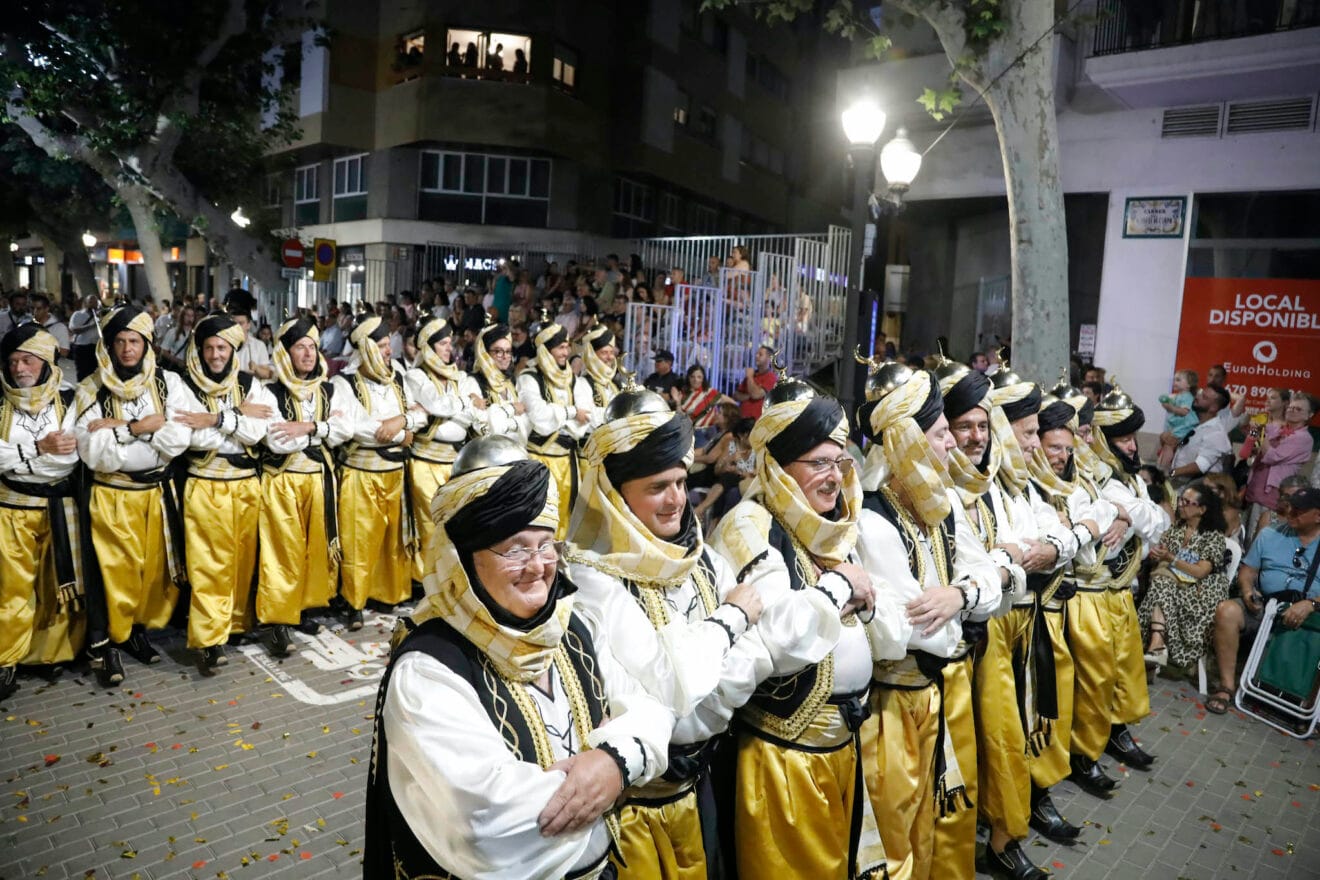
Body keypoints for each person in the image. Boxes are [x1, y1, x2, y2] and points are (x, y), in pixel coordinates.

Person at [365, 437, 673, 879]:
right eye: (515, 549)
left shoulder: (575, 627)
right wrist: (617, 769)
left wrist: (614, 762)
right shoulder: (428, 670)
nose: (538, 566)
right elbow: (488, 827)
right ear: (463, 559)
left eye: (546, 545)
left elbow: (653, 709)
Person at [567, 388, 763, 877]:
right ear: (615, 494)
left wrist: (703, 674)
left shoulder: (699, 556)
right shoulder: (592, 577)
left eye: (680, 481)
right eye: (658, 487)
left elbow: (755, 659)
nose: (677, 499)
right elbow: (674, 686)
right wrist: (729, 620)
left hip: (703, 781)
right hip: (632, 812)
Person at [708, 394, 877, 879]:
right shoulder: (751, 522)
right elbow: (778, 636)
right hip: (783, 758)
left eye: (840, 462)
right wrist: (841, 587)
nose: (835, 476)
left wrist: (844, 596)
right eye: (819, 463)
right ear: (780, 467)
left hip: (842, 747)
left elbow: (870, 602)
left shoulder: (825, 523)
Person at [854, 365, 1004, 880]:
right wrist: (965, 605)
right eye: (941, 434)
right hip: (889, 706)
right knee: (893, 832)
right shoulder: (873, 518)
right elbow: (909, 630)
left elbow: (991, 581)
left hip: (932, 694)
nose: (953, 444)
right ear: (909, 443)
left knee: (930, 823)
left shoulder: (943, 504)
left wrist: (958, 594)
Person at [940, 366, 1059, 879]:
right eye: (961, 427)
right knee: (964, 755)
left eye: (982, 426)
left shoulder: (992, 484)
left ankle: (1003, 837)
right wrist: (1005, 559)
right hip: (953, 647)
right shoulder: (936, 488)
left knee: (1005, 737)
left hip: (997, 632)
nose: (974, 438)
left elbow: (1034, 547)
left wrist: (1012, 558)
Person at [75, 306, 192, 684]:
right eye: (121, 342)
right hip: (112, 495)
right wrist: (141, 427)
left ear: (147, 345)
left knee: (149, 571)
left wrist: (118, 428)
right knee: (115, 574)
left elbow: (179, 438)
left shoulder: (168, 383)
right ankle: (108, 643)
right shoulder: (91, 387)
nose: (128, 349)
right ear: (109, 346)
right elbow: (92, 450)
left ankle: (134, 633)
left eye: (135, 341)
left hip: (156, 493)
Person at [1026, 398, 1124, 800]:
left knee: (1078, 689)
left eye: (1069, 448)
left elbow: (1100, 517)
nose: (1063, 456)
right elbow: (1048, 547)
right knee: (1038, 705)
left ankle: (1076, 761)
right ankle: (1035, 791)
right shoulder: (1027, 487)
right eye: (1054, 447)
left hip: (1068, 603)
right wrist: (1081, 529)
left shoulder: (1075, 482)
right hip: (1035, 614)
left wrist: (1113, 517)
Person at [174, 315, 274, 670]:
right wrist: (237, 416)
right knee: (209, 565)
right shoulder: (185, 385)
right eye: (209, 348)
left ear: (233, 350)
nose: (216, 355)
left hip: (247, 483)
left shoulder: (249, 383)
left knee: (242, 561)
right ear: (200, 350)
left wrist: (217, 418)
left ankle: (234, 624)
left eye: (222, 348)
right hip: (206, 484)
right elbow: (190, 435)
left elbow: (259, 431)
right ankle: (208, 639)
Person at [1079, 384, 1169, 772]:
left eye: (1134, 438)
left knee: (1123, 670)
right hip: (1092, 594)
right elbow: (1149, 520)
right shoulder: (1099, 477)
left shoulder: (1129, 479)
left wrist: (1127, 515)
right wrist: (1130, 515)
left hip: (1121, 590)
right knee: (1095, 677)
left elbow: (1160, 521)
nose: (1133, 447)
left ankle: (1115, 731)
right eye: (1125, 439)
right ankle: (1083, 751)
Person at [0, 326, 84, 700]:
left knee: (58, 586)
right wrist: (38, 447)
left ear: (47, 361)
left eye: (28, 360)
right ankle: (6, 660)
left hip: (61, 507)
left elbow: (71, 455)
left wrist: (17, 457)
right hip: (11, 509)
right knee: (11, 589)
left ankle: (50, 655)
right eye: (13, 361)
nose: (19, 368)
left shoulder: (70, 397)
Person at [260, 316, 351, 655]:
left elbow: (346, 429)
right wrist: (324, 428)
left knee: (314, 550)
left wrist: (310, 427)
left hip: (318, 479)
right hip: (282, 481)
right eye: (300, 347)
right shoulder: (269, 392)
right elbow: (277, 439)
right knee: (282, 551)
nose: (309, 354)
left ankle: (303, 609)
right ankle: (277, 621)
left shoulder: (329, 389)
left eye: (312, 347)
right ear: (286, 353)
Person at [331, 316, 428, 628]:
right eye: (382, 346)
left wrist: (401, 421)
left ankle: (387, 594)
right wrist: (401, 431)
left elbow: (420, 415)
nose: (389, 351)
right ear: (366, 348)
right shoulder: (344, 383)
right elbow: (357, 428)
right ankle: (354, 601)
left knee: (393, 539)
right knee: (359, 538)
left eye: (388, 345)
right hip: (362, 473)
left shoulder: (397, 375)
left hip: (396, 471)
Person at [1209, 486, 1320, 714]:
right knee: (1227, 610)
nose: (1290, 513)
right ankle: (1227, 686)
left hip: (1311, 617)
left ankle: (1306, 706)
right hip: (1268, 607)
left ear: (1318, 515)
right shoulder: (1270, 534)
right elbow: (1248, 571)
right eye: (1290, 507)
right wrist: (1247, 591)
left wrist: (1311, 604)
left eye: (1299, 511)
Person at [404, 318, 481, 584]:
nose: (450, 348)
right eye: (443, 344)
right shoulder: (416, 376)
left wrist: (443, 410)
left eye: (450, 343)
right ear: (428, 347)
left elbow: (474, 414)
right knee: (429, 522)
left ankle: (454, 577)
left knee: (456, 521)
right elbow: (438, 404)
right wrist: (463, 403)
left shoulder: (460, 377)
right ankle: (428, 579)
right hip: (425, 460)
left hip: (455, 461)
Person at [1140, 481, 1230, 674]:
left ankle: (1156, 645)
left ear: (1202, 509)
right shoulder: (1177, 528)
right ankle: (1157, 645)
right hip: (1171, 584)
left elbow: (1201, 572)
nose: (1180, 505)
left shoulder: (1213, 536)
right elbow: (1162, 552)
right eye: (1181, 500)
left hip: (1201, 591)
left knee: (1160, 583)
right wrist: (1157, 555)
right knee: (1162, 582)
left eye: (1187, 502)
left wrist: (1170, 558)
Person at [518, 318, 594, 539]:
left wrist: (558, 415)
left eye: (567, 347)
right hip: (539, 460)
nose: (566, 352)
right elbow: (540, 419)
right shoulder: (529, 378)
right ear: (547, 350)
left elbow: (585, 419)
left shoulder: (574, 380)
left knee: (566, 516)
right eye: (560, 347)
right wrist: (571, 412)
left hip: (566, 461)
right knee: (539, 516)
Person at [1244, 393, 1316, 543]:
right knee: (1245, 535)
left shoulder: (1304, 438)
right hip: (1254, 490)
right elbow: (1250, 442)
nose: (1292, 410)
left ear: (1309, 415)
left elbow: (1272, 456)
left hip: (1272, 495)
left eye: (1298, 409)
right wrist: (1254, 429)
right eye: (1291, 407)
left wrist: (1262, 435)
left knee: (1257, 538)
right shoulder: (1277, 429)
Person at [470, 323, 530, 443]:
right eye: (498, 351)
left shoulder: (510, 383)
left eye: (508, 351)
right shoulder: (473, 382)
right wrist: (512, 409)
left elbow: (529, 422)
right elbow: (485, 429)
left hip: (516, 450)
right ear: (485, 353)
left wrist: (498, 418)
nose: (505, 356)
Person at [1169, 384, 1233, 483]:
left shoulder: (1216, 433)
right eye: (1200, 393)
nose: (1197, 397)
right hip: (1180, 484)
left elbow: (1200, 466)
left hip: (1194, 489)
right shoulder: (1200, 426)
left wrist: (1170, 474)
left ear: (1213, 408)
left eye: (1204, 397)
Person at [674, 363, 728, 447]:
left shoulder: (710, 392)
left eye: (699, 377)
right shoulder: (684, 394)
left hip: (706, 433)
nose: (695, 380)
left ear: (703, 379)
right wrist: (677, 402)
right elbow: (681, 417)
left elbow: (732, 404)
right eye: (692, 377)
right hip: (687, 433)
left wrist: (721, 420)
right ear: (688, 378)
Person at [225, 290, 274, 381]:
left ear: (248, 325)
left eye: (241, 323)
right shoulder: (224, 344)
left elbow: (267, 374)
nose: (237, 327)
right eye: (233, 323)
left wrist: (256, 368)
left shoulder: (258, 346)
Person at [1156, 370, 1198, 469]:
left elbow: (1184, 412)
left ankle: (1162, 467)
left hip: (1185, 427)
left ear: (1189, 385)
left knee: (1169, 443)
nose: (1175, 382)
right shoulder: (1178, 396)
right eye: (1174, 380)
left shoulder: (1187, 397)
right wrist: (1167, 405)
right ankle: (1164, 461)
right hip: (1177, 428)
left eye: (1178, 380)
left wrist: (1170, 407)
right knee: (1164, 439)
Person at [577, 324, 621, 416]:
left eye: (611, 352)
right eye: (604, 353)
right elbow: (587, 415)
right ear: (591, 355)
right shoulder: (581, 384)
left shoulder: (616, 384)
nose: (610, 357)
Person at [734, 345, 776, 420]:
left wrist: (750, 377)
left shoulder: (771, 377)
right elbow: (736, 395)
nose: (756, 356)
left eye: (760, 354)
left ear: (769, 358)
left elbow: (756, 395)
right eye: (756, 354)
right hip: (743, 419)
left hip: (757, 421)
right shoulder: (753, 374)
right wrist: (749, 396)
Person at [68, 295, 101, 381]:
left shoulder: (99, 316)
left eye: (95, 303)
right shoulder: (78, 314)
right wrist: (91, 325)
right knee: (82, 372)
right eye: (91, 302)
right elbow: (74, 329)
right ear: (86, 303)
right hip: (82, 347)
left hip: (95, 347)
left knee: (95, 372)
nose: (93, 305)